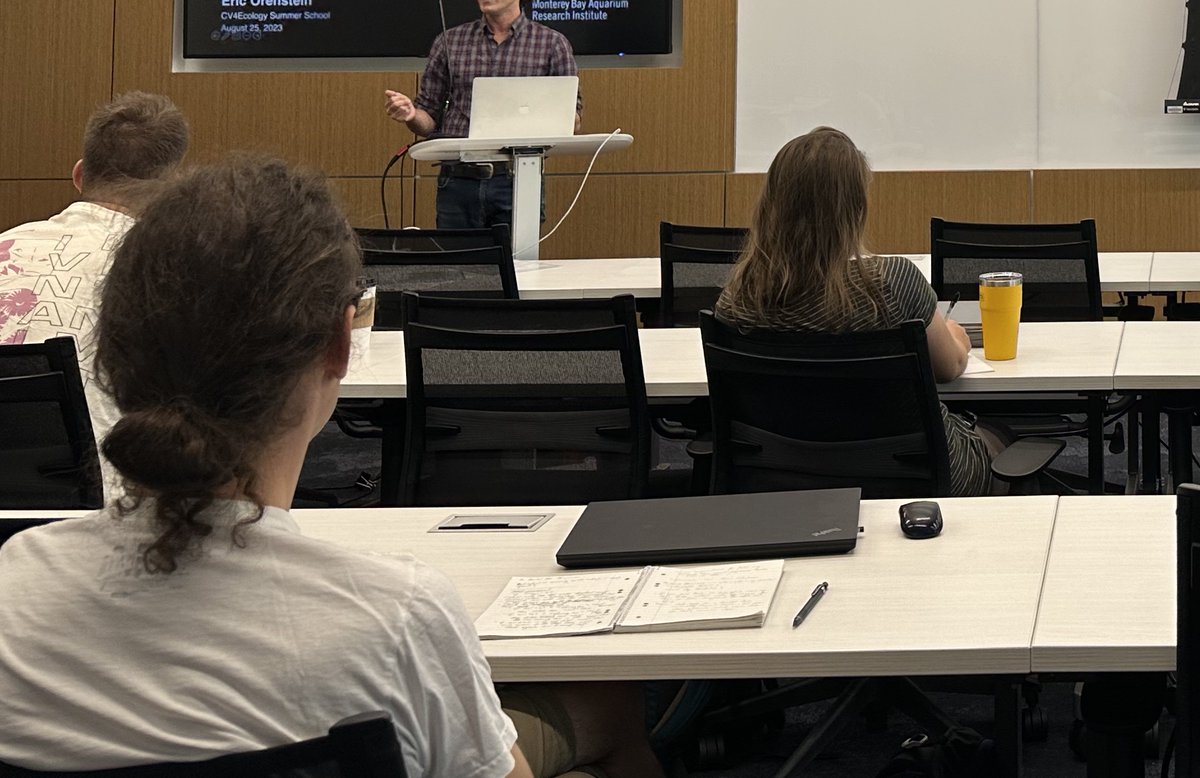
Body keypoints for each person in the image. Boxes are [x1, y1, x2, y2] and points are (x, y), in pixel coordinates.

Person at [0, 155, 663, 778]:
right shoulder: (397, 618)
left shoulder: (11, 584)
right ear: (340, 344)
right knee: (610, 710)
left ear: (113, 349)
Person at [715, 126, 1002, 496]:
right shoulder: (892, 283)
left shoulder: (737, 299)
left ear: (771, 203)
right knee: (1000, 438)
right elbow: (948, 369)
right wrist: (957, 338)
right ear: (855, 208)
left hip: (783, 479)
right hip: (910, 479)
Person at [0, 91, 189, 500]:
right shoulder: (174, 270)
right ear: (174, 189)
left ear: (80, 175)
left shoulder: (6, 245)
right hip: (105, 503)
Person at [384, 0, 581, 229]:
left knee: (518, 272)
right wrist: (411, 115)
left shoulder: (552, 44)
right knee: (458, 270)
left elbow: (573, 121)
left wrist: (555, 117)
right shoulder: (450, 42)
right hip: (457, 182)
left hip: (518, 179)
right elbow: (428, 120)